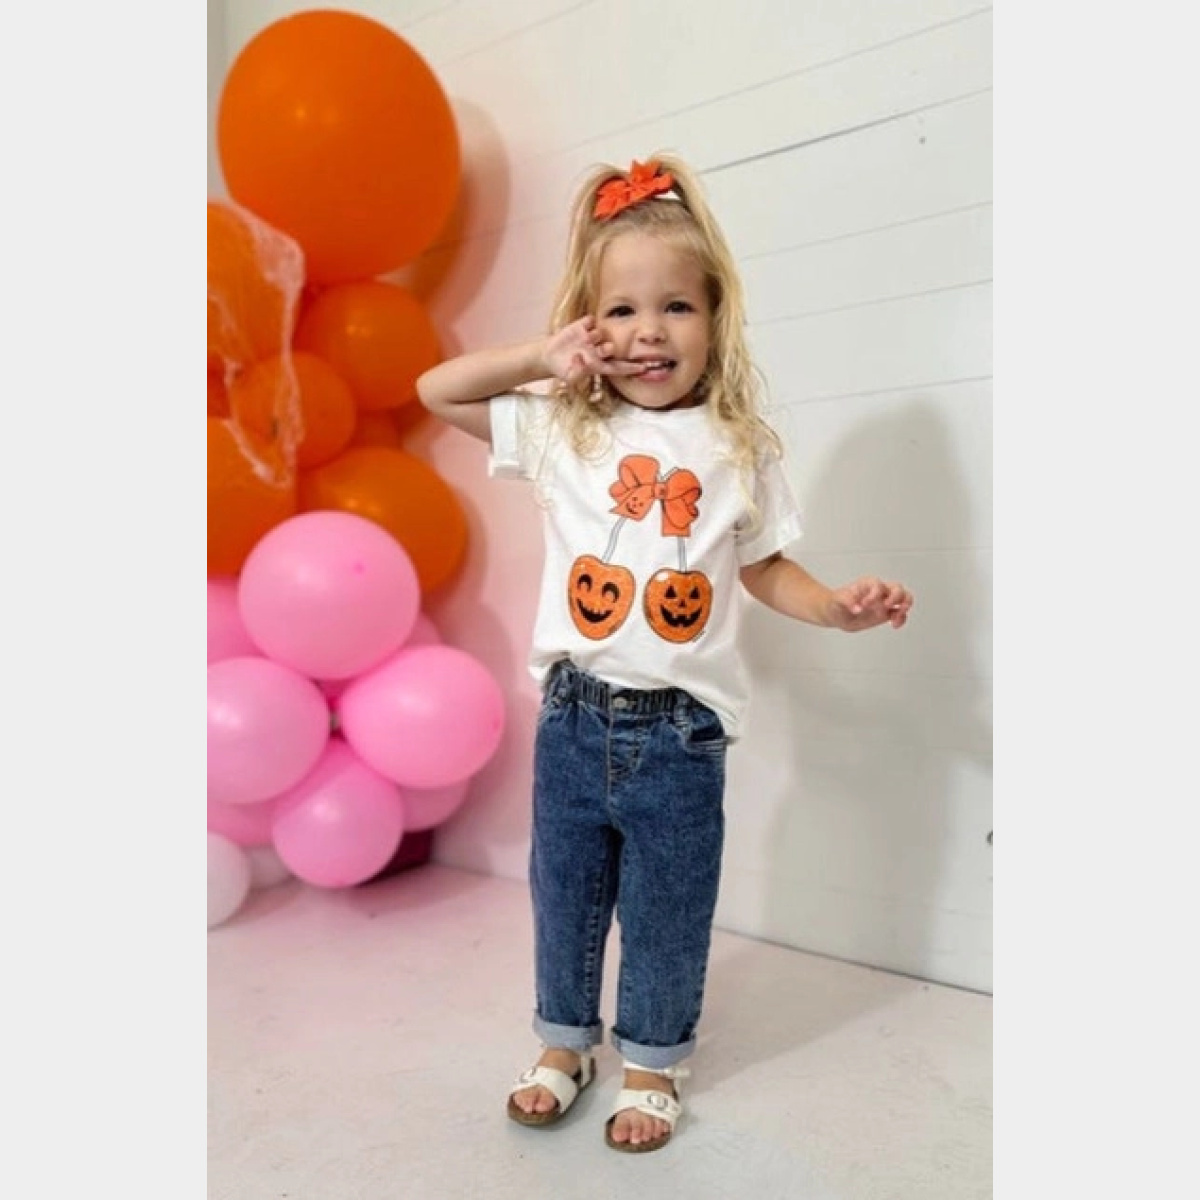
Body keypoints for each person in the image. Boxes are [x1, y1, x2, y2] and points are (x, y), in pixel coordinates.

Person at [416, 154, 913, 1154]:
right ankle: (564, 1045)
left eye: (677, 307)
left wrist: (835, 609)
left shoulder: (739, 445)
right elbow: (436, 388)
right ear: (590, 325)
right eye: (624, 311)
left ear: (714, 318)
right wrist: (540, 360)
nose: (650, 332)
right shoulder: (567, 429)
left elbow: (767, 567)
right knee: (564, 897)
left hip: (682, 735)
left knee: (667, 910)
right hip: (574, 713)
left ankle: (651, 1063)